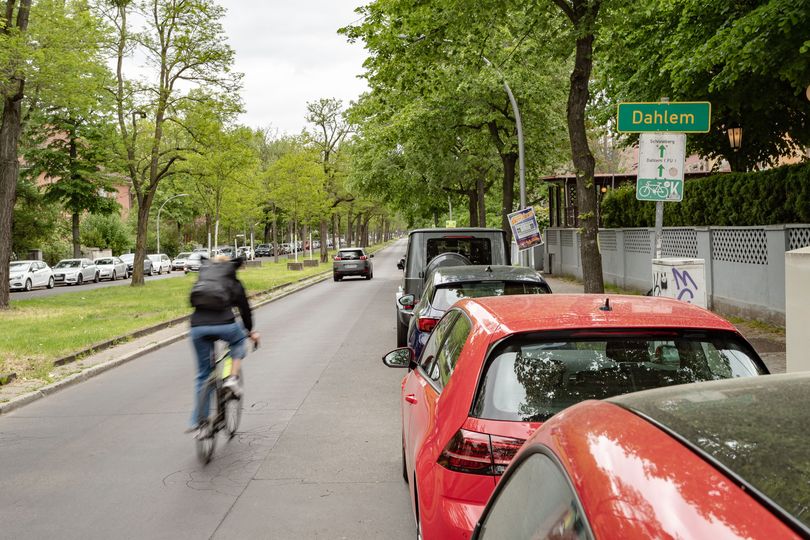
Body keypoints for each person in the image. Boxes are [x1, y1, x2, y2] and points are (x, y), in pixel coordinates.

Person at [188, 254, 259, 431]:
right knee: (238, 340)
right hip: (225, 325)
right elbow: (245, 310)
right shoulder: (232, 280)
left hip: (197, 327)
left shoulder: (204, 276)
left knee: (203, 374)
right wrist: (250, 331)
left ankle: (200, 421)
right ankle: (232, 378)